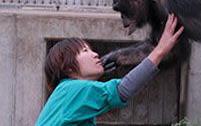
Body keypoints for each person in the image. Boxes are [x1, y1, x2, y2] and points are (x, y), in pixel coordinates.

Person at [35, 14, 184, 126]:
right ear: (68, 67)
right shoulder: (72, 89)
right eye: (85, 51)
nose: (94, 54)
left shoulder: (68, 93)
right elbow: (123, 90)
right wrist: (160, 51)